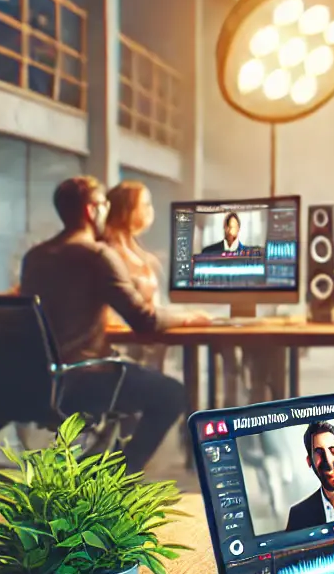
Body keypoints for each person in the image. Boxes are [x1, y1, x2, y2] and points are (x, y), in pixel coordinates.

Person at [19, 175, 202, 473]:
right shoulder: (97, 255)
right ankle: (121, 477)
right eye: (105, 205)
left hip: (40, 381)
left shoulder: (35, 257)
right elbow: (145, 320)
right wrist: (189, 317)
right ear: (92, 210)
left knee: (137, 379)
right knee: (172, 394)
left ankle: (106, 466)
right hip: (84, 379)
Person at [103, 181, 168, 370]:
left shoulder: (138, 252)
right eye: (145, 204)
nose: (150, 211)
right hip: (123, 349)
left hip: (147, 343)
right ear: (127, 210)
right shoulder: (108, 254)